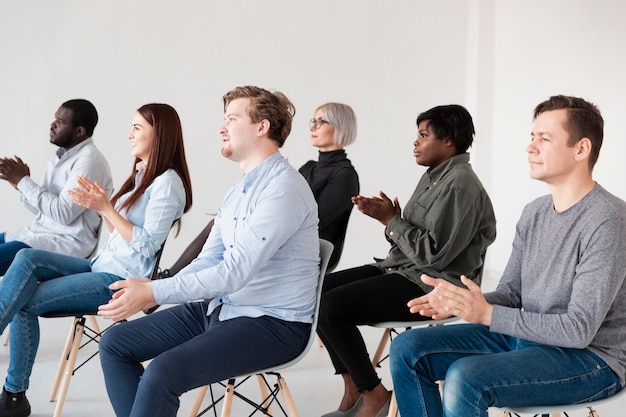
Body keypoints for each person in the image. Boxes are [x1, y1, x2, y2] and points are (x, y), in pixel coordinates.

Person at [389, 95, 626, 417]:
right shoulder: (535, 212)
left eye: (545, 138)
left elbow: (578, 329)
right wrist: (463, 302)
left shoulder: (608, 219)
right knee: (407, 348)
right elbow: (513, 294)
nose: (531, 147)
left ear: (580, 149)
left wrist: (485, 314)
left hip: (591, 359)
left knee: (466, 377)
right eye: (532, 137)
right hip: (527, 338)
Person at [96, 86, 320, 417]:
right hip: (224, 307)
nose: (221, 127)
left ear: (262, 127)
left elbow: (233, 272)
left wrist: (155, 290)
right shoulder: (238, 191)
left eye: (232, 118)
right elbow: (209, 260)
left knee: (162, 373)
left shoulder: (283, 189)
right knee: (116, 343)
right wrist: (153, 293)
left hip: (271, 324)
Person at [0, 103, 192, 417]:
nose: (129, 134)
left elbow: (147, 245)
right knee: (25, 258)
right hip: (98, 266)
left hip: (116, 280)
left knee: (24, 298)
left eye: (137, 128)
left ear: (160, 136)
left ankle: (13, 397)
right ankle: (13, 399)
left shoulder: (167, 184)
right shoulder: (143, 175)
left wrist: (105, 207)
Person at [317, 104, 497, 417]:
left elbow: (434, 255)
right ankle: (355, 387)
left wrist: (391, 221)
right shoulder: (434, 177)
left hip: (433, 285)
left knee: (331, 308)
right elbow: (413, 241)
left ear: (448, 142)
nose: (415, 142)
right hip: (402, 269)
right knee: (314, 293)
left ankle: (372, 393)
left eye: (424, 135)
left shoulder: (459, 186)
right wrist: (391, 219)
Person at [0, 99, 113, 275]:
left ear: (79, 131)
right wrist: (19, 185)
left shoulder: (89, 161)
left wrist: (24, 181)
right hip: (37, 234)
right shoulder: (59, 156)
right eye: (55, 119)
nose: (52, 125)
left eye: (60, 122)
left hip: (66, 244)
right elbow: (42, 212)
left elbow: (63, 213)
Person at [299, 102, 359, 272]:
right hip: (288, 246)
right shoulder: (308, 168)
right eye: (313, 121)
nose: (312, 127)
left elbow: (314, 222)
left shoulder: (345, 175)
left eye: (321, 122)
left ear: (339, 126)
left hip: (309, 256)